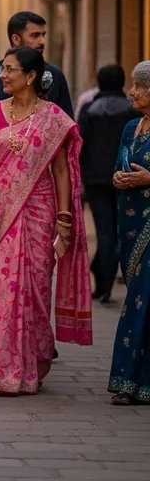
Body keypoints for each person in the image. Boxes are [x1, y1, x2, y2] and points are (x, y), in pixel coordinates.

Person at [0, 48, 92, 396]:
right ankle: (3, 370)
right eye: (3, 69)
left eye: (9, 70)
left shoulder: (52, 117)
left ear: (31, 76)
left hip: (40, 216)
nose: (3, 75)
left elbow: (61, 172)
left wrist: (65, 220)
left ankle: (31, 365)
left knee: (35, 292)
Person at [109, 61, 150, 405]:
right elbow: (118, 167)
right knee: (136, 299)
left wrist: (148, 179)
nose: (132, 92)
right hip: (129, 227)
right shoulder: (131, 127)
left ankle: (133, 381)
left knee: (143, 302)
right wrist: (119, 179)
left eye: (139, 86)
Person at [79, 64, 137, 304]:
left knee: (104, 230)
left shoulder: (90, 108)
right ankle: (112, 279)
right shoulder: (132, 109)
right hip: (126, 178)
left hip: (95, 179)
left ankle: (105, 284)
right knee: (120, 229)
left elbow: (80, 144)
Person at [0, 12, 74, 118]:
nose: (42, 41)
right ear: (16, 39)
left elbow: (66, 123)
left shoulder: (54, 74)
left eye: (43, 35)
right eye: (35, 35)